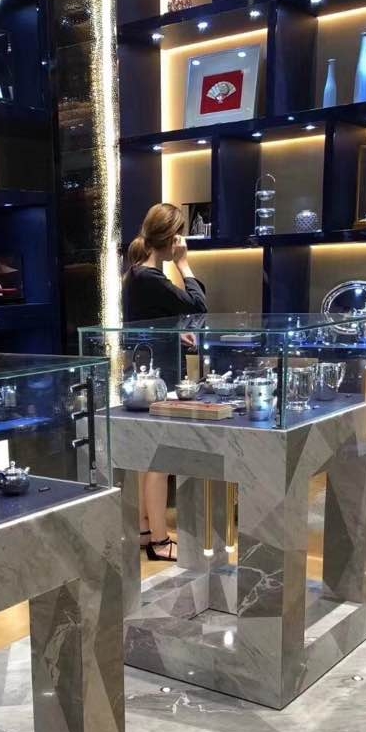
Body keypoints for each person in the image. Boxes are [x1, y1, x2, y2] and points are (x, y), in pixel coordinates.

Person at [122, 203, 208, 561]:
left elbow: (151, 322)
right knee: (160, 459)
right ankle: (159, 540)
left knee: (148, 458)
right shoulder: (151, 278)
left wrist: (174, 335)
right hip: (158, 381)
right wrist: (184, 264)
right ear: (173, 238)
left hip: (144, 379)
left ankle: (145, 529)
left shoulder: (137, 275)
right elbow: (198, 307)